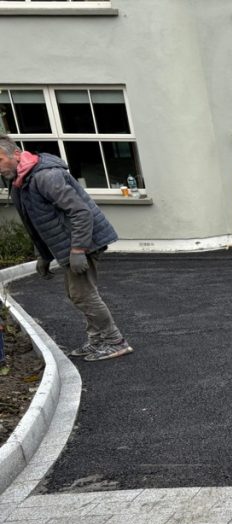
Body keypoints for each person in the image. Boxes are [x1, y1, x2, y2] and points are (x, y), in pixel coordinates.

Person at [0, 135, 132, 361]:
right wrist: (44, 255)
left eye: (0, 159)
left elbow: (80, 212)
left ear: (16, 154)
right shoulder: (21, 182)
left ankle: (114, 340)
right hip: (70, 244)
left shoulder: (45, 177)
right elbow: (35, 223)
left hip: (83, 242)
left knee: (83, 295)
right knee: (77, 294)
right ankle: (97, 339)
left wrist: (79, 250)